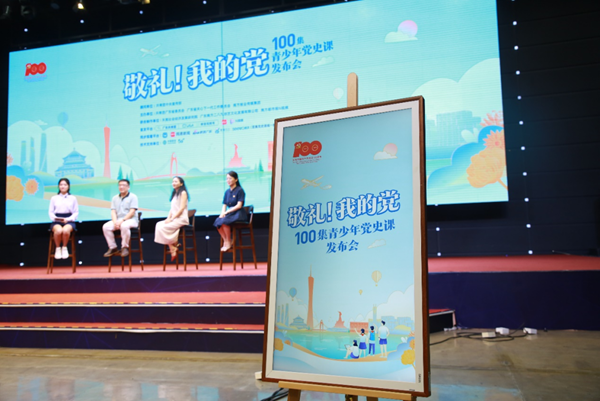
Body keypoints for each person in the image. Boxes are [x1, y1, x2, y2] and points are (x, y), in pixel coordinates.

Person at [154, 176, 190, 261]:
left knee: (163, 227)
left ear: (181, 183)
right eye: (173, 181)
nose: (173, 183)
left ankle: (173, 246)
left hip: (181, 218)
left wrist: (172, 218)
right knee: (158, 224)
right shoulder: (174, 193)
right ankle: (172, 246)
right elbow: (172, 209)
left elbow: (181, 208)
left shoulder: (183, 193)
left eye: (176, 181)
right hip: (174, 218)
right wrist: (168, 218)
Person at [102, 179, 139, 258]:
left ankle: (124, 247)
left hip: (131, 220)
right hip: (118, 220)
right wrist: (115, 222)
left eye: (124, 185)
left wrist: (122, 220)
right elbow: (113, 211)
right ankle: (113, 247)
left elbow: (132, 211)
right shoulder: (115, 198)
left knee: (124, 225)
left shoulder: (133, 197)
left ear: (128, 187)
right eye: (120, 185)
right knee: (106, 227)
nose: (121, 187)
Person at [213, 171, 246, 252]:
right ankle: (226, 240)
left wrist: (227, 212)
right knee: (218, 221)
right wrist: (222, 213)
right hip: (230, 213)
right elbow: (224, 204)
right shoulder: (227, 192)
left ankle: (228, 241)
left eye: (230, 178)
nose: (228, 180)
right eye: (227, 178)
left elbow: (239, 205)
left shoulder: (240, 190)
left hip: (238, 213)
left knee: (225, 221)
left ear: (236, 179)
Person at [48, 178, 79, 260]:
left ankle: (64, 247)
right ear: (58, 186)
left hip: (69, 219)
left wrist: (68, 219)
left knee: (65, 230)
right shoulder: (54, 198)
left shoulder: (73, 198)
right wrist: (56, 218)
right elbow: (51, 212)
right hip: (57, 220)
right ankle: (58, 248)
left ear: (68, 186)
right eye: (61, 185)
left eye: (65, 185)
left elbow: (76, 212)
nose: (63, 186)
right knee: (58, 231)